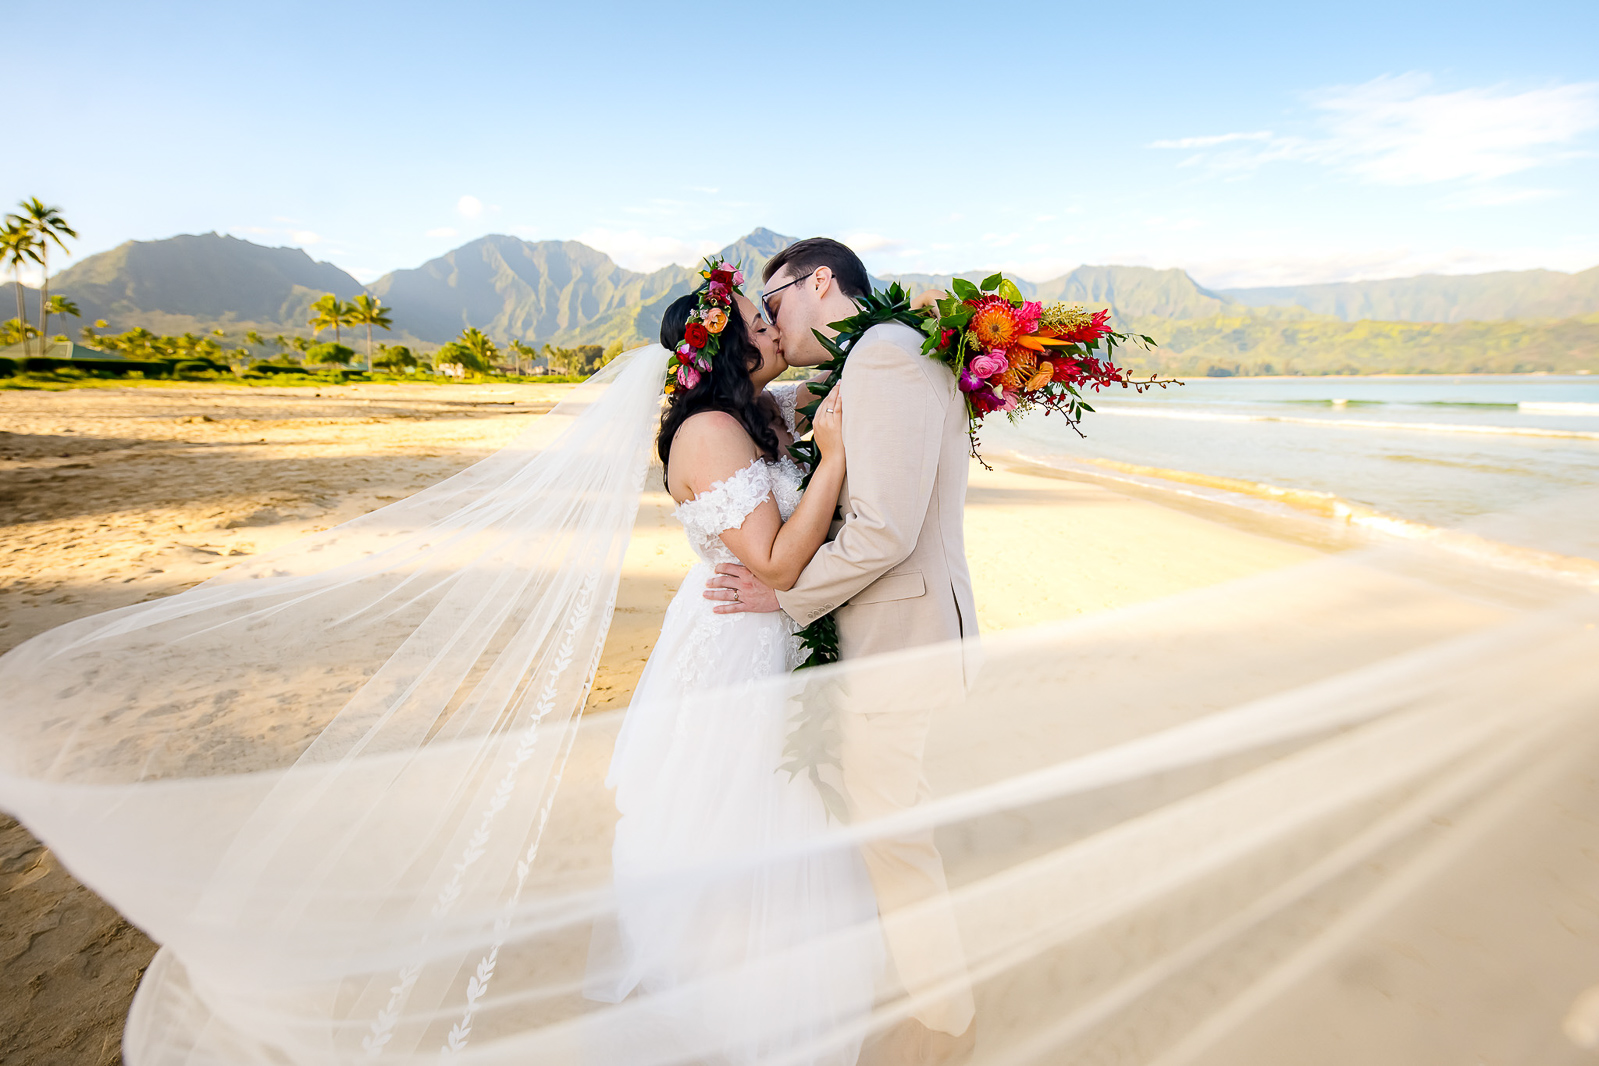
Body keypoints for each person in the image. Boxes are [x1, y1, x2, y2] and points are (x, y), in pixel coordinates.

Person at [585, 275, 884, 1066]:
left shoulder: (759, 414)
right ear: (727, 344)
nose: (778, 327)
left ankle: (783, 992)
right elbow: (779, 563)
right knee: (738, 812)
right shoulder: (711, 430)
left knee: (787, 815)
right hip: (734, 644)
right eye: (761, 319)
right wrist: (838, 457)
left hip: (768, 633)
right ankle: (731, 1008)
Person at [706, 237, 979, 1063]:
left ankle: (944, 1019)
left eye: (774, 303)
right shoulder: (871, 358)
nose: (771, 324)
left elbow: (886, 532)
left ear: (819, 282)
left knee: (894, 835)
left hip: (899, 642)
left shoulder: (887, 359)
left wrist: (784, 594)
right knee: (882, 826)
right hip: (896, 637)